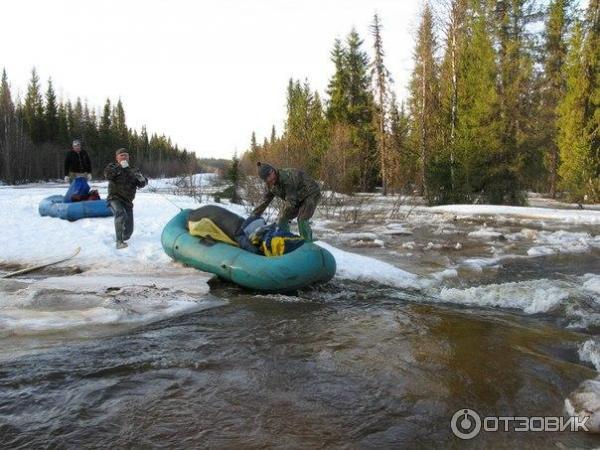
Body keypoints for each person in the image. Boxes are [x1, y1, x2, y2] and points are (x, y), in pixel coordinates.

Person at [251, 162, 321, 241]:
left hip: (310, 193)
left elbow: (291, 201)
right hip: (297, 197)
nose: (272, 177)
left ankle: (308, 243)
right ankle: (285, 241)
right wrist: (253, 216)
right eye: (268, 176)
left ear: (273, 170)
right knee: (282, 219)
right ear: (265, 180)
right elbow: (264, 201)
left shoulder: (285, 177)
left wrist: (276, 223)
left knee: (302, 219)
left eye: (272, 173)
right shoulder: (270, 186)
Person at [104, 148, 148, 249]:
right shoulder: (112, 166)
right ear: (117, 158)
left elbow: (141, 184)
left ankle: (122, 236)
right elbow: (108, 175)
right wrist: (120, 167)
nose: (124, 157)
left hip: (128, 201)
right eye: (121, 155)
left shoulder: (134, 170)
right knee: (120, 213)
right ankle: (119, 242)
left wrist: (143, 180)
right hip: (114, 198)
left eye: (126, 155)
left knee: (128, 232)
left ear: (129, 157)